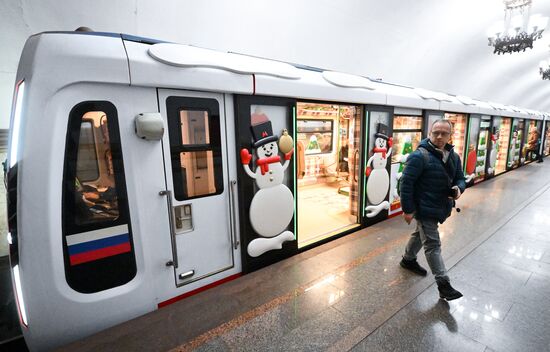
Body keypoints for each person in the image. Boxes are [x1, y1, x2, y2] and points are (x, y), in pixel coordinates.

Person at [398, 119, 466, 301]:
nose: (439, 136)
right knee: (433, 244)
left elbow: (460, 178)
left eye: (444, 133)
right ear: (429, 133)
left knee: (419, 235)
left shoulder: (454, 156)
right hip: (424, 207)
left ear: (450, 136)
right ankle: (444, 285)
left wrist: (459, 189)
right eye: (436, 132)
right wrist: (408, 209)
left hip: (441, 206)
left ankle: (408, 259)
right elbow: (406, 183)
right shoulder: (419, 156)